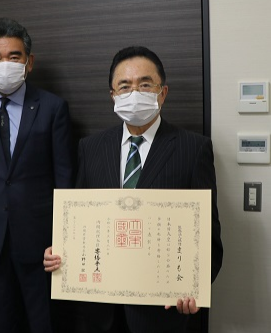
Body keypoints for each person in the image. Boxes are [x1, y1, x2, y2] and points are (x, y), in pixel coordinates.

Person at [43, 46, 223, 333]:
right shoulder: (90, 148)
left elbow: (209, 237)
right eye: (124, 86)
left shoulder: (193, 148)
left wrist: (196, 287)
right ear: (113, 96)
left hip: (161, 315)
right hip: (100, 313)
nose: (134, 93)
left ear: (162, 93)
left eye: (145, 84)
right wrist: (60, 252)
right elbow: (79, 224)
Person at [0, 18, 74, 333]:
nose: (4, 64)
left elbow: (65, 178)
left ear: (29, 62)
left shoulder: (53, 108)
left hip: (42, 243)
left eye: (14, 56)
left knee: (44, 323)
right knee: (3, 323)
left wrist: (65, 238)